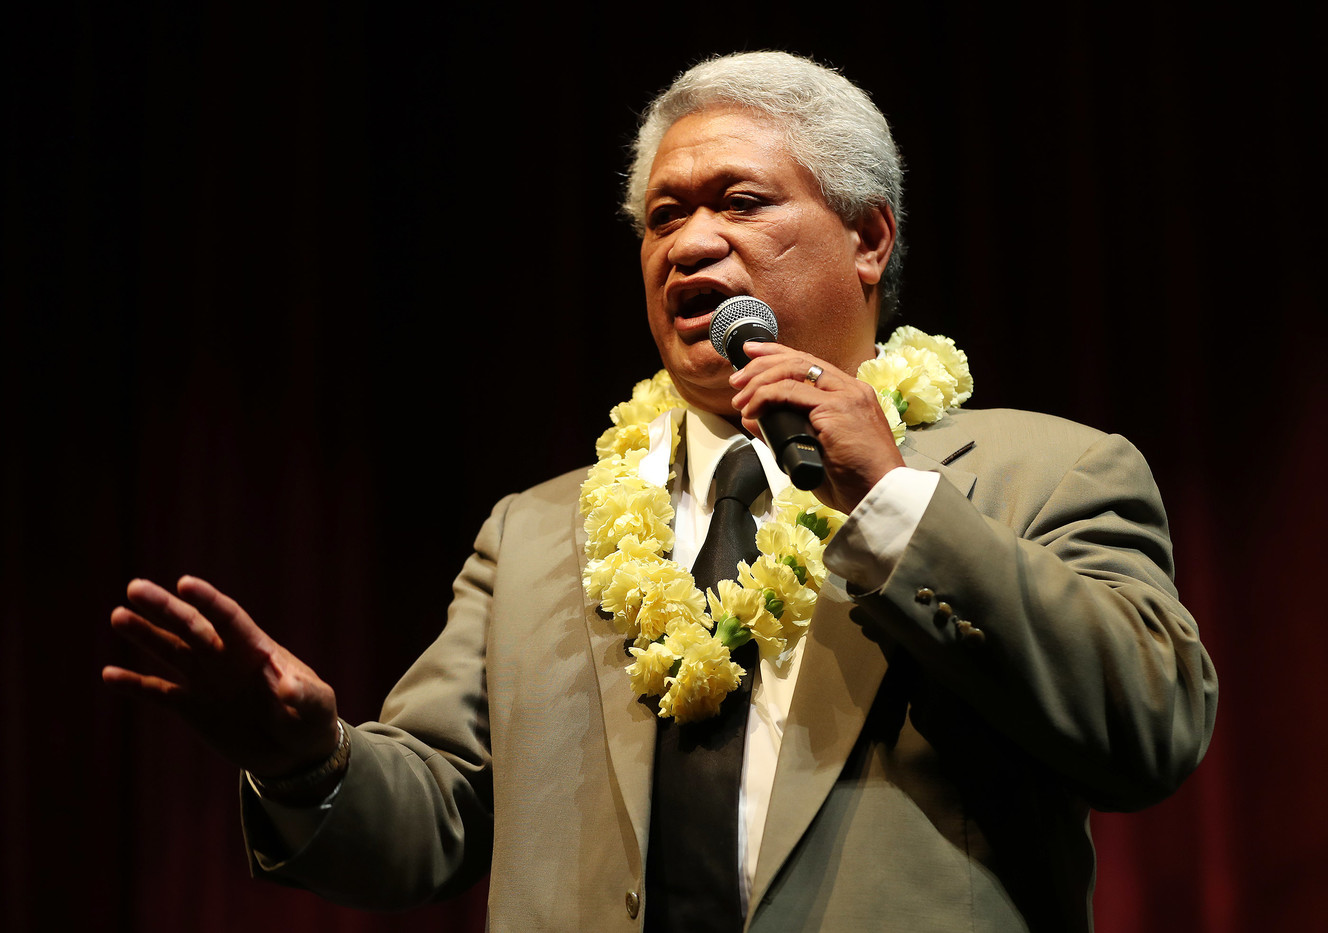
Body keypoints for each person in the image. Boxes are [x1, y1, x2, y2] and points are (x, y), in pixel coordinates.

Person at [104, 51, 1218, 933]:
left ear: (867, 238)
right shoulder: (535, 534)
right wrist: (303, 757)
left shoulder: (1046, 471)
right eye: (661, 216)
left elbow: (1145, 729)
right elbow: (432, 825)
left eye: (737, 201)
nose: (689, 244)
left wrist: (891, 502)